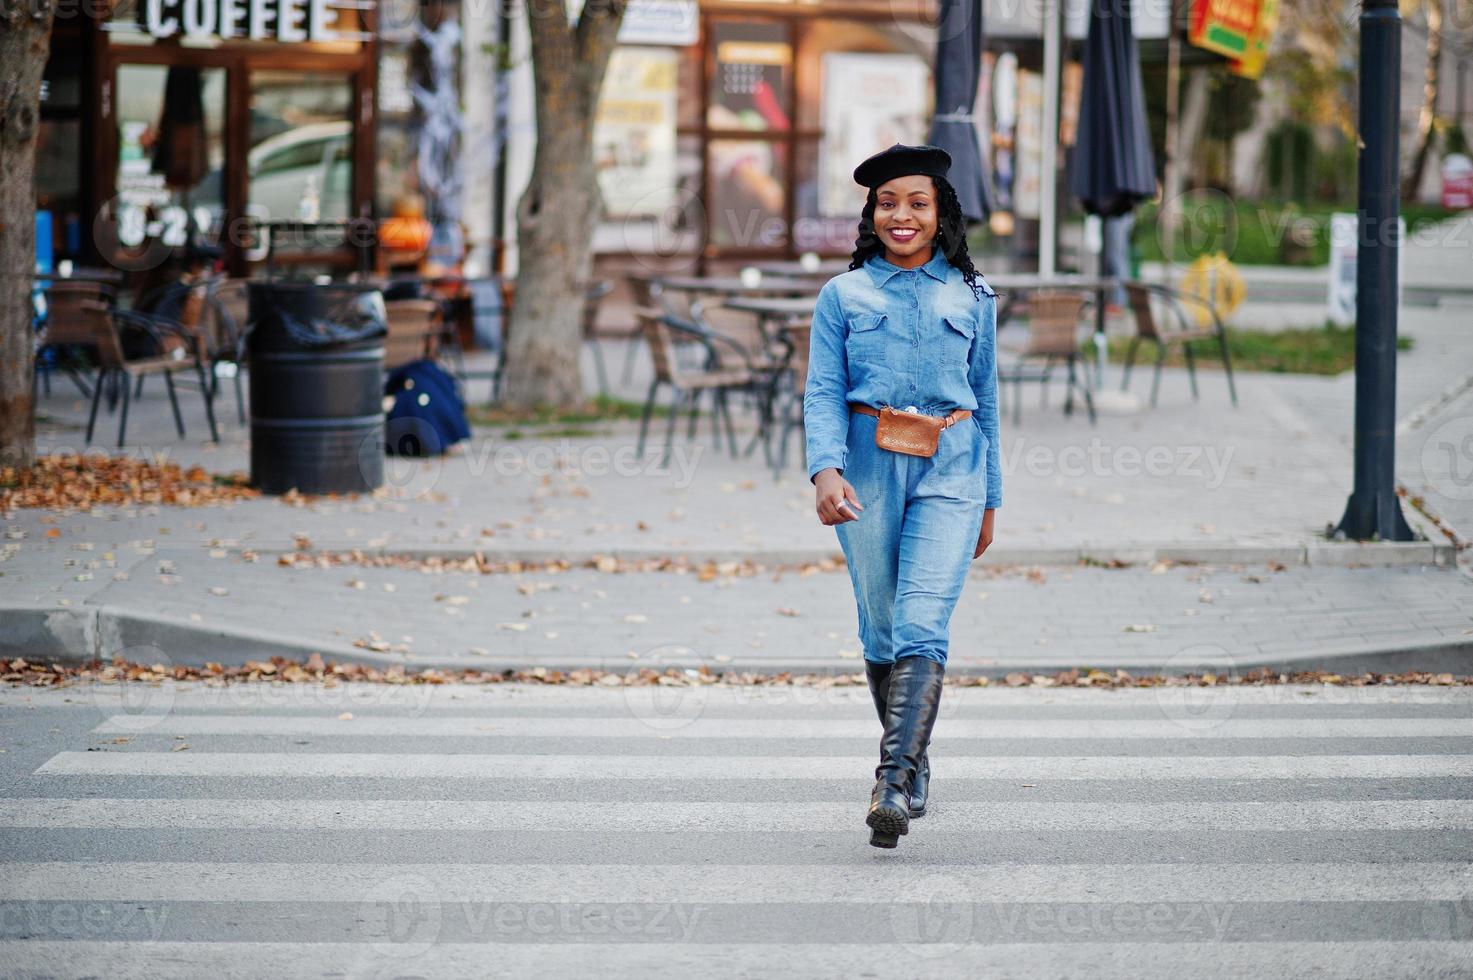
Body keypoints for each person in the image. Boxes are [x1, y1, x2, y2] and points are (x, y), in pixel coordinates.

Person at [803, 143, 1002, 849]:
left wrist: (990, 499)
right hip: (865, 466)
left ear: (940, 210)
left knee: (922, 621)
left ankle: (892, 779)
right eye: (888, 202)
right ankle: (913, 761)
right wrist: (824, 471)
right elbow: (822, 392)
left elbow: (986, 400)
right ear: (871, 213)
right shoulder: (842, 296)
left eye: (916, 202)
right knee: (882, 623)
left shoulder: (973, 297)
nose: (901, 215)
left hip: (953, 468)